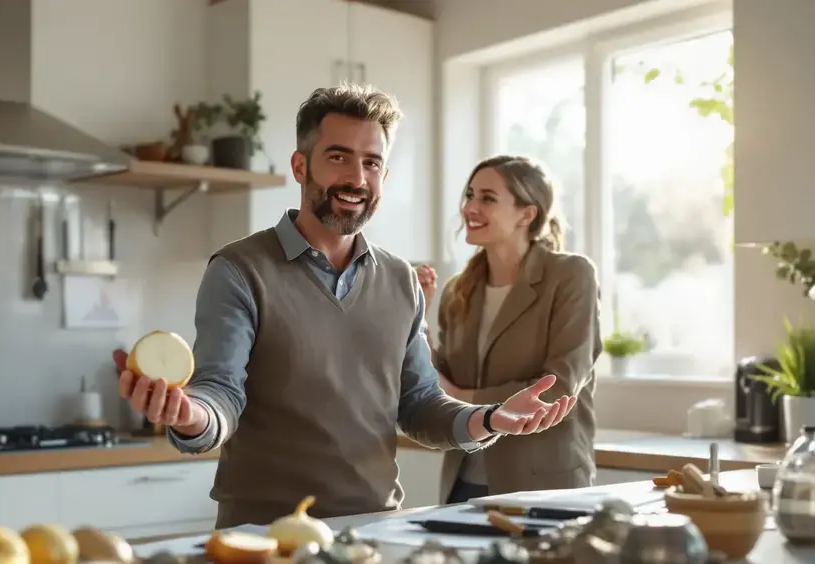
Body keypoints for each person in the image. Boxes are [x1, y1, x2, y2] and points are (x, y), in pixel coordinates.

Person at [116, 84, 578, 528]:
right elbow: (220, 392)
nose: (357, 178)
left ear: (384, 176)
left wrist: (490, 418)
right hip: (265, 536)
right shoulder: (239, 270)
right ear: (301, 166)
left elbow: (418, 405)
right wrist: (189, 414)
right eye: (338, 157)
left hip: (374, 528)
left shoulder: (401, 280)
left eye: (372, 163)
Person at [429, 155, 602, 504]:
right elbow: (437, 386)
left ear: (527, 214)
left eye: (487, 199)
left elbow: (558, 389)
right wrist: (414, 318)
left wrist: (463, 397)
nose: (470, 208)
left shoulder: (570, 276)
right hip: (463, 485)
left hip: (542, 487)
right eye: (470, 195)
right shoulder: (458, 290)